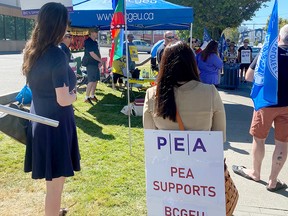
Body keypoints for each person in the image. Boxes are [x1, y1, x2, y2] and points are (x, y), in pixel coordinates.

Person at [22, 3, 80, 216]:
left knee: (52, 187)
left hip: (40, 121)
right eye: (66, 22)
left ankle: (54, 211)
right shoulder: (56, 55)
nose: (67, 26)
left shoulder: (32, 51)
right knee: (55, 188)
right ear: (58, 24)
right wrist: (76, 94)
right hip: (55, 125)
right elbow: (64, 99)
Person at [232, 25, 288, 192]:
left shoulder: (267, 52)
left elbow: (249, 77)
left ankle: (255, 173)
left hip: (265, 103)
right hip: (287, 106)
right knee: (283, 143)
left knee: (259, 138)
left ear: (278, 38)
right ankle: (273, 181)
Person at [143, 41, 226, 142]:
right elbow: (219, 137)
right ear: (192, 63)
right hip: (201, 155)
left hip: (166, 156)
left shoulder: (152, 93)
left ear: (164, 64)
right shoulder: (210, 92)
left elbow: (150, 137)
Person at [83, 28, 102, 105]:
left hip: (95, 63)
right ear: (91, 33)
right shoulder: (88, 41)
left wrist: (99, 61)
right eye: (95, 32)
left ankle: (92, 95)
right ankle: (86, 97)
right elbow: (92, 53)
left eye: (97, 32)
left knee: (96, 80)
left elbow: (97, 52)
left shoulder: (95, 42)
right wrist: (100, 61)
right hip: (90, 63)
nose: (97, 33)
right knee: (91, 80)